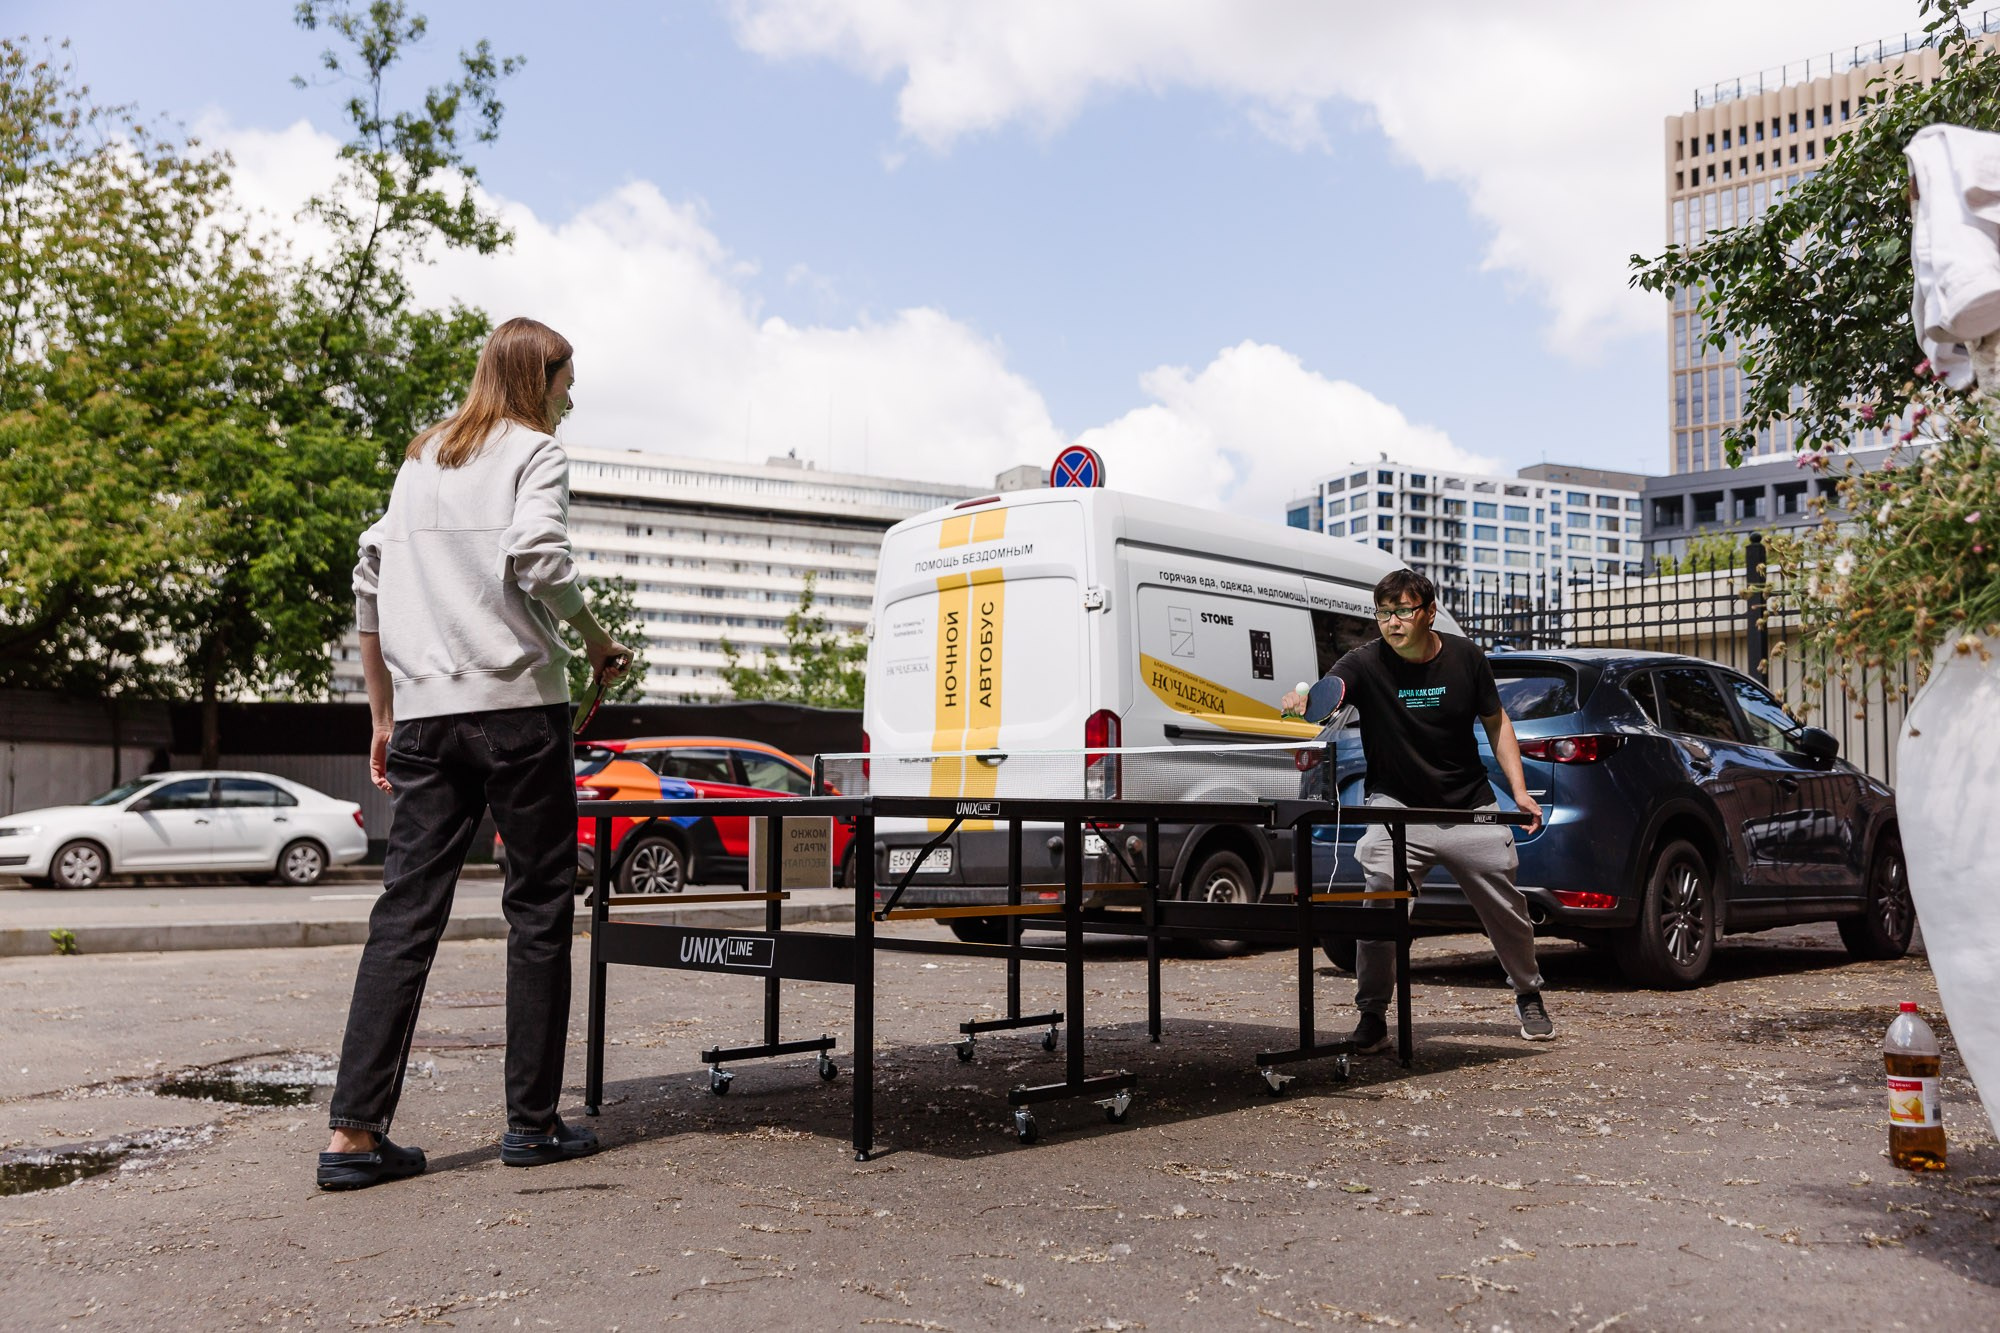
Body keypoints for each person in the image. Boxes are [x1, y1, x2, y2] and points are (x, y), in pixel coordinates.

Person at [318, 317, 633, 1191]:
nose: (573, 395)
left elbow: (368, 574)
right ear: (540, 377)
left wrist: (381, 714)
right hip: (516, 711)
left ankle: (352, 1135)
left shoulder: (423, 458)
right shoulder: (537, 452)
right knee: (537, 909)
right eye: (568, 379)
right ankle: (531, 1125)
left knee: (404, 914)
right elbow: (537, 554)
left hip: (423, 719)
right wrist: (598, 642)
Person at [1279, 569, 1553, 1051]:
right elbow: (1327, 694)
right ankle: (1372, 1016)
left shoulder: (1466, 657)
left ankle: (1528, 991)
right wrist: (1304, 701)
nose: (1393, 622)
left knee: (1507, 907)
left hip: (1468, 805)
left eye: (1403, 611)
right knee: (1379, 897)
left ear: (1428, 613)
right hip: (1396, 805)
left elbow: (1496, 722)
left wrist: (1521, 790)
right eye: (1384, 613)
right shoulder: (1363, 662)